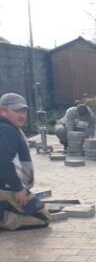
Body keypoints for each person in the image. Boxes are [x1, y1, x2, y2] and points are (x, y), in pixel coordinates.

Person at [0, 93, 50, 230]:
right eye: (16, 111)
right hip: (8, 188)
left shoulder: (7, 127)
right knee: (43, 217)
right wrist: (18, 188)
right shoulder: (7, 130)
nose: (22, 115)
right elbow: (2, 161)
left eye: (24, 111)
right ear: (2, 111)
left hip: (8, 185)